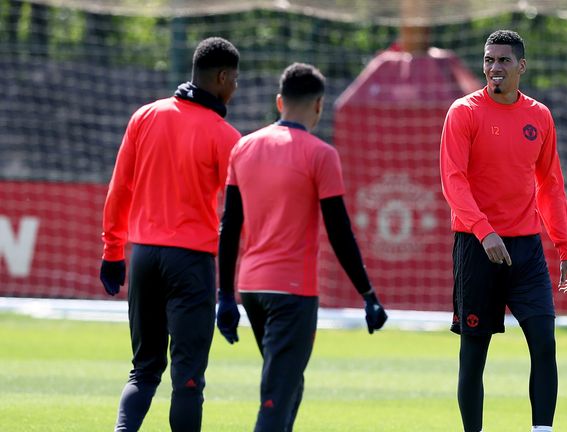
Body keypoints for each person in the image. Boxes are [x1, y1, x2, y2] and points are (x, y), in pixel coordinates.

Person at [216, 62, 388, 432]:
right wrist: (367, 293)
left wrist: (225, 296)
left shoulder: (243, 148)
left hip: (252, 290)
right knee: (276, 397)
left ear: (280, 102)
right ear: (319, 106)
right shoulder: (320, 154)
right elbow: (340, 232)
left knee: (290, 385)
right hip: (293, 293)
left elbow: (229, 226)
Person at [439, 30, 567, 432]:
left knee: (544, 342)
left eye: (503, 61)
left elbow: (550, 185)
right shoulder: (464, 112)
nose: (494, 68)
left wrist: (565, 248)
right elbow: (454, 180)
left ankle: (542, 430)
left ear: (521, 66)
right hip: (476, 247)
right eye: (488, 60)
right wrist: (484, 231)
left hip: (526, 251)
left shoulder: (539, 117)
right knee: (474, 355)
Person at [99, 37, 241, 432]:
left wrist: (113, 251)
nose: (236, 89)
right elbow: (240, 213)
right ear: (222, 77)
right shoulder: (225, 136)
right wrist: (229, 287)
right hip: (191, 262)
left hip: (143, 256)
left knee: (142, 371)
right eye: (235, 81)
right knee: (188, 380)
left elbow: (119, 189)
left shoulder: (145, 116)